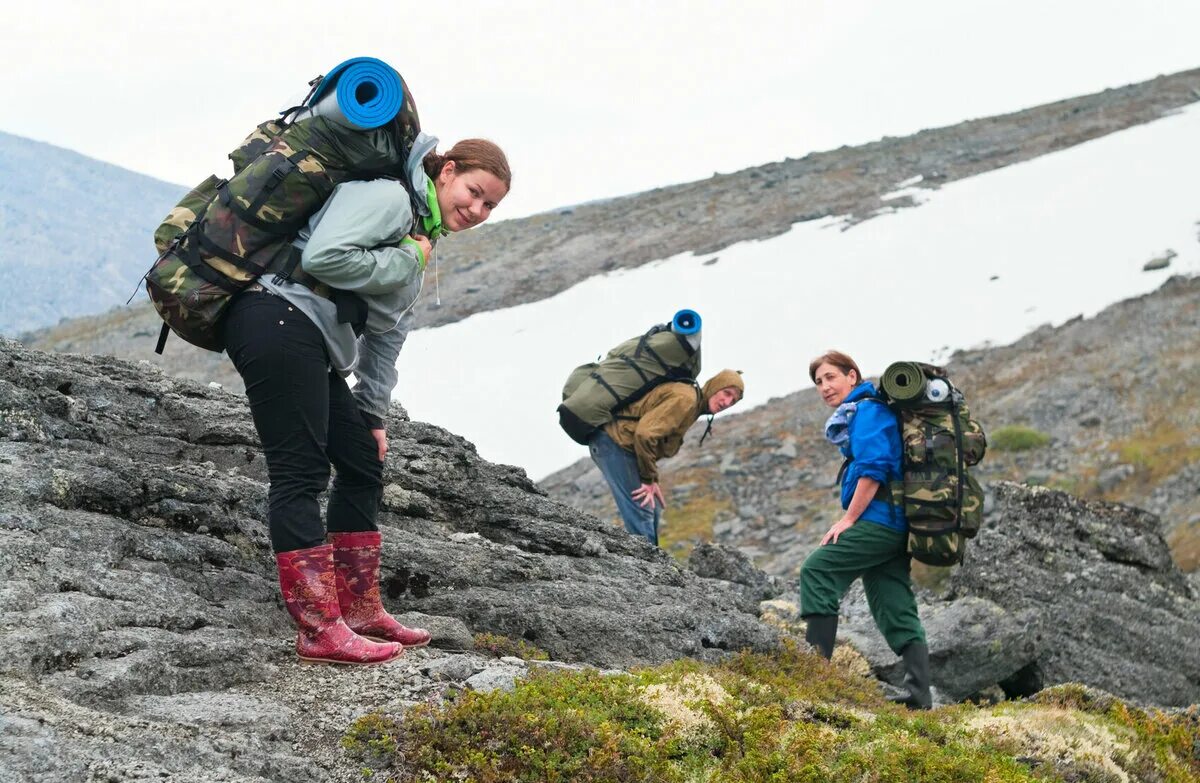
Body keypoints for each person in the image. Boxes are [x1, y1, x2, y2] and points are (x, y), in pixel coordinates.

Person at [221, 136, 511, 665]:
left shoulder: (421, 231)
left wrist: (372, 411)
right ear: (446, 172)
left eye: (490, 205)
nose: (477, 209)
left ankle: (359, 611)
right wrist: (405, 259)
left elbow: (388, 329)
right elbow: (324, 256)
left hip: (309, 337)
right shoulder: (390, 199)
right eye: (474, 192)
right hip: (276, 317)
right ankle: (319, 629)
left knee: (360, 461)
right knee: (300, 474)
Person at [799, 351, 931, 709]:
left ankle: (813, 676)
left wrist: (849, 520)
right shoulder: (862, 413)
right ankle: (920, 698)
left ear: (852, 377)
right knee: (892, 601)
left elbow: (873, 469)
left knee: (818, 570)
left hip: (881, 521)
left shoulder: (868, 411)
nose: (825, 387)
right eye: (818, 382)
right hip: (896, 524)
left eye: (831, 377)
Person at [589, 370, 744, 546]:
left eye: (733, 401)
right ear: (715, 386)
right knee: (643, 509)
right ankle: (646, 567)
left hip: (622, 447)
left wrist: (652, 480)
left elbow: (652, 440)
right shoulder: (686, 399)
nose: (727, 402)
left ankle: (650, 564)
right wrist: (647, 479)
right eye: (727, 393)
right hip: (614, 443)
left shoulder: (694, 405)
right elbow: (645, 435)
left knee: (652, 506)